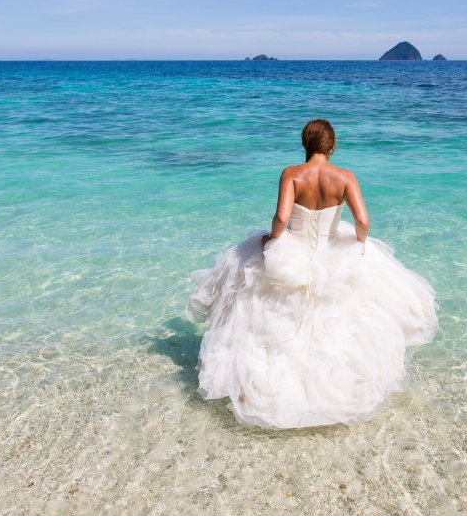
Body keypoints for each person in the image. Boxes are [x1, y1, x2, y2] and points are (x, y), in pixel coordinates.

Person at [186, 119, 437, 429]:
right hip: (330, 249)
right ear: (332, 146)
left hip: (292, 250)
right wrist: (357, 247)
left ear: (305, 144)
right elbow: (363, 221)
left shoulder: (291, 174)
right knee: (340, 319)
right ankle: (337, 384)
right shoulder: (345, 177)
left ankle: (265, 385)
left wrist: (271, 240)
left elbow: (281, 216)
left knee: (270, 315)